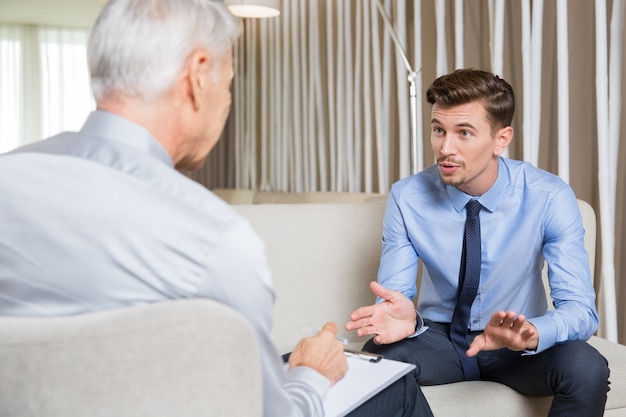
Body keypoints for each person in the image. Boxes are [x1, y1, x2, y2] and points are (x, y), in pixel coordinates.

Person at [0, 1, 432, 416]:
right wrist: (311, 375)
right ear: (198, 76)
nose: (226, 102)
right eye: (229, 82)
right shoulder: (213, 237)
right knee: (398, 387)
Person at [346, 68, 610, 416]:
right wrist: (402, 319)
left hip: (514, 341)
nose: (445, 148)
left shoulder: (549, 196)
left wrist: (532, 332)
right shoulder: (407, 197)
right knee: (376, 367)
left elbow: (580, 310)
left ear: (501, 139)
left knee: (587, 367)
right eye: (439, 130)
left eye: (464, 133)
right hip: (438, 338)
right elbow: (394, 296)